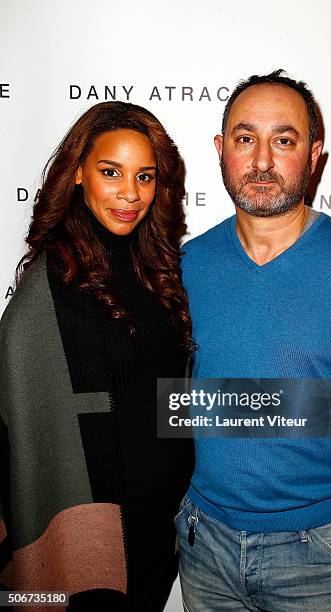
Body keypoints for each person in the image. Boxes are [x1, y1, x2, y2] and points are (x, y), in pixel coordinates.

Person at [177, 70, 331, 611]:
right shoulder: (185, 266)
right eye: (244, 138)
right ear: (220, 150)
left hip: (323, 555)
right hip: (202, 544)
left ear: (314, 154)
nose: (261, 161)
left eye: (283, 140)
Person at [0, 101, 194, 611]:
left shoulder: (157, 268)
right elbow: (22, 426)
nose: (130, 194)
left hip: (164, 530)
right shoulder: (53, 284)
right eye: (112, 173)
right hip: (94, 535)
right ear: (79, 172)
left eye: (145, 176)